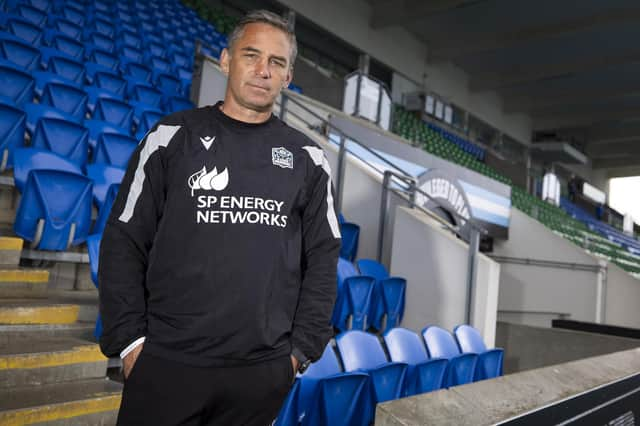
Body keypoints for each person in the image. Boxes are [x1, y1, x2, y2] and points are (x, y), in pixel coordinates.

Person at [98, 10, 341, 425]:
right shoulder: (171, 138)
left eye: (276, 63)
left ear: (287, 76)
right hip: (166, 362)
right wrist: (131, 342)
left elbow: (322, 259)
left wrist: (299, 353)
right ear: (226, 60)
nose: (263, 71)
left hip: (260, 373)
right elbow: (123, 240)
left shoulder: (308, 160)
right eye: (252, 55)